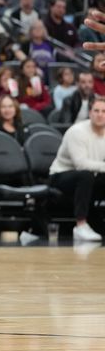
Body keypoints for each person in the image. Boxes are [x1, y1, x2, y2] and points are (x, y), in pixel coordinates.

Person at [49, 96, 105, 242]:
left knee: (90, 177)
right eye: (96, 111)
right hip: (61, 175)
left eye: (104, 111)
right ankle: (80, 226)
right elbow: (81, 164)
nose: (100, 115)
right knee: (85, 175)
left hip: (92, 175)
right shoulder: (77, 131)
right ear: (90, 112)